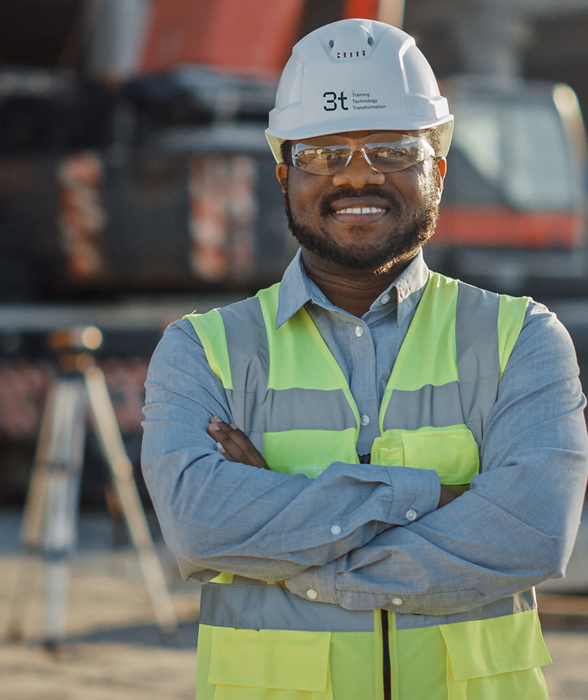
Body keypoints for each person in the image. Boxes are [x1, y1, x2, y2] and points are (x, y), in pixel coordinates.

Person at [141, 18, 588, 700]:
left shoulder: (520, 338)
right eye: (323, 154)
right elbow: (201, 526)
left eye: (389, 149)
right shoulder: (203, 350)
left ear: (435, 170)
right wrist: (435, 497)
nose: (358, 175)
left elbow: (529, 533)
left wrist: (291, 553)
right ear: (284, 172)